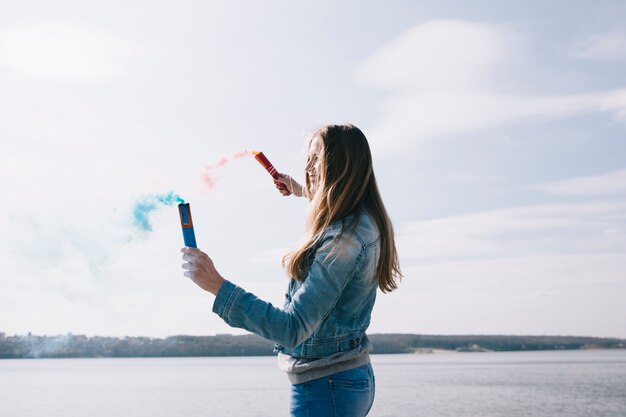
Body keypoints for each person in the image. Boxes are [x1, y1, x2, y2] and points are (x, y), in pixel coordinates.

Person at [181, 124, 402, 417]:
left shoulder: (343, 242)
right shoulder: (363, 218)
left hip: (326, 388)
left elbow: (292, 329)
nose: (308, 167)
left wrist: (217, 286)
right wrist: (301, 189)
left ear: (341, 168)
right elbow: (336, 203)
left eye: (316, 160)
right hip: (345, 380)